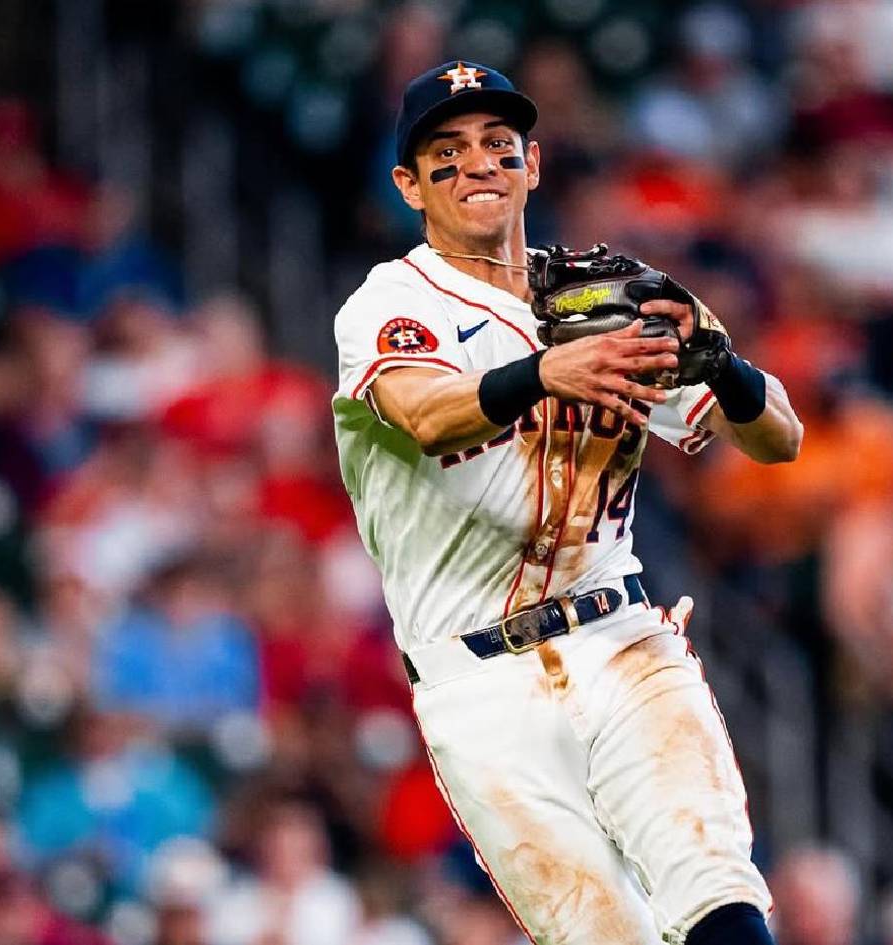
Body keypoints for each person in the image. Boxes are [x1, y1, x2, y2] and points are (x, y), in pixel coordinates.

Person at [331, 60, 803, 944]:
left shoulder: (604, 295)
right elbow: (425, 413)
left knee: (718, 892)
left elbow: (780, 437)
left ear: (532, 165)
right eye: (448, 150)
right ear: (408, 184)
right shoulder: (391, 301)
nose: (478, 164)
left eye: (498, 146)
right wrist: (545, 370)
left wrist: (720, 363)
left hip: (623, 640)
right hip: (481, 684)